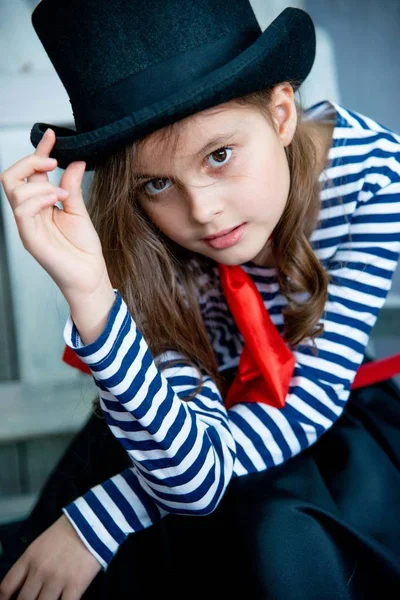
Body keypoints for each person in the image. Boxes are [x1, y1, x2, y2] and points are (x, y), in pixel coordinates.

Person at [0, 1, 400, 598]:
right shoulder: (143, 235)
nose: (202, 212)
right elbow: (192, 477)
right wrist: (90, 292)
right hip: (178, 424)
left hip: (322, 418)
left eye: (219, 155)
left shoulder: (373, 177)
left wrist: (101, 519)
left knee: (279, 541)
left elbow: (305, 407)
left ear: (282, 112)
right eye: (158, 183)